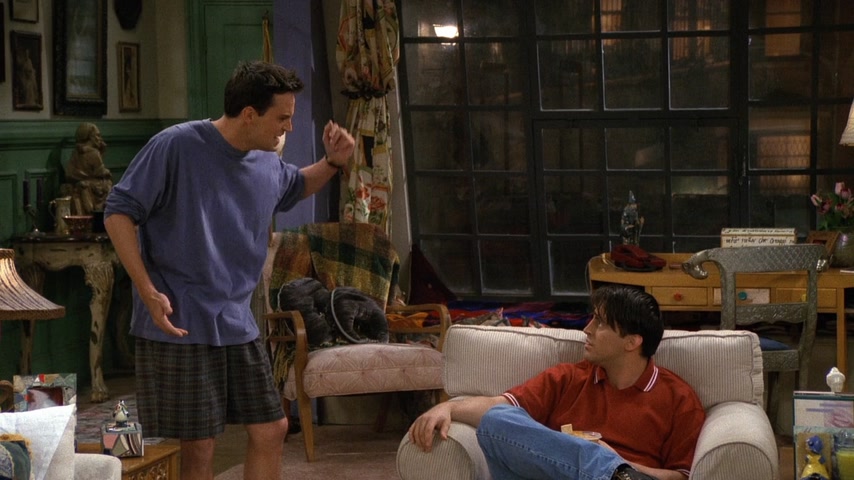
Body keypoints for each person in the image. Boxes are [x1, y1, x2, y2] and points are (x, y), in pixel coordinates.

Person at [103, 61, 355, 480]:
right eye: (283, 118)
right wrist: (145, 289)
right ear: (250, 114)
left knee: (272, 428)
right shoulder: (175, 146)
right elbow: (118, 212)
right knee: (200, 445)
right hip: (180, 318)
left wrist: (332, 162)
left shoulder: (265, 160)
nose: (289, 128)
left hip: (237, 321)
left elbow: (294, 186)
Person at [408, 284, 706, 480]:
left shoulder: (677, 398)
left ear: (632, 342)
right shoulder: (568, 378)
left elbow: (680, 476)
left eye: (600, 322)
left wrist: (619, 463)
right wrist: (448, 408)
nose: (587, 329)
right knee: (497, 419)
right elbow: (501, 408)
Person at [66, 122, 113, 214]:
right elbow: (100, 171)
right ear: (90, 137)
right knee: (108, 184)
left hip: (81, 183)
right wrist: (107, 172)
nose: (100, 139)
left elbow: (70, 171)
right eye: (97, 135)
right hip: (92, 185)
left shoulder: (76, 152)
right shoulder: (94, 153)